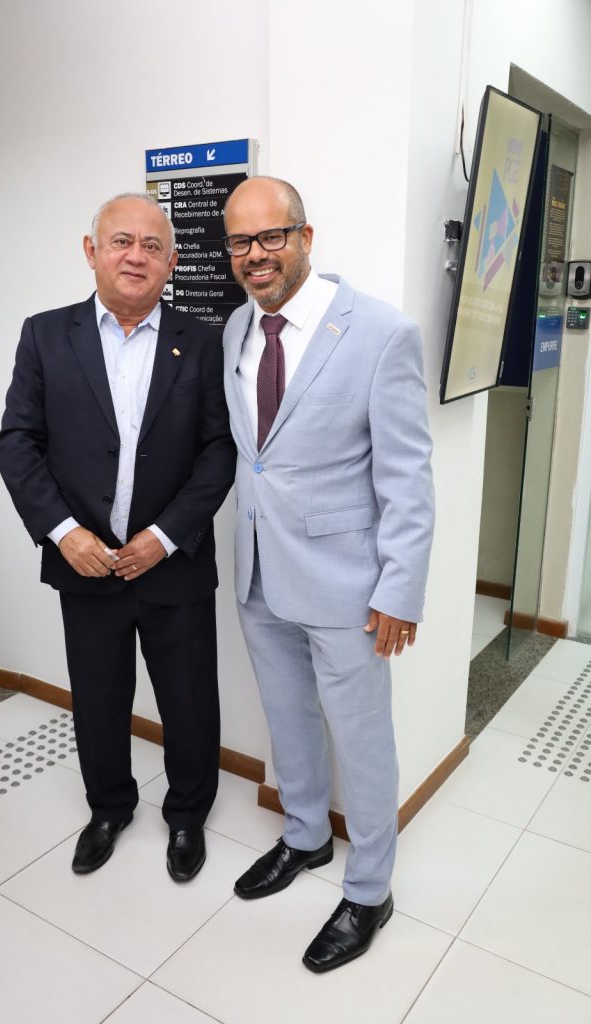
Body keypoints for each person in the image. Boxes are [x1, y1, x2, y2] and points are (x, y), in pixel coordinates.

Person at [222, 177, 434, 972]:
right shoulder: (236, 328)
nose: (255, 255)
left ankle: (370, 889)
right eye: (240, 242)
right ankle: (306, 836)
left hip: (349, 586)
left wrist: (399, 588)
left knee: (362, 739)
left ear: (305, 237)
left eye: (270, 236)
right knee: (288, 719)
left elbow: (407, 476)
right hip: (260, 573)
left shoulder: (381, 332)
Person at [0, 193, 236, 882]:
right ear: (92, 251)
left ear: (172, 261)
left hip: (173, 564)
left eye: (152, 246)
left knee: (189, 700)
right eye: (122, 241)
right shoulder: (46, 335)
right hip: (86, 564)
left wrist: (166, 536)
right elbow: (18, 442)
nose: (136, 256)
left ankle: (187, 815)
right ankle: (108, 809)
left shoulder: (204, 340)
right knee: (98, 698)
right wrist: (63, 532)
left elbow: (219, 450)